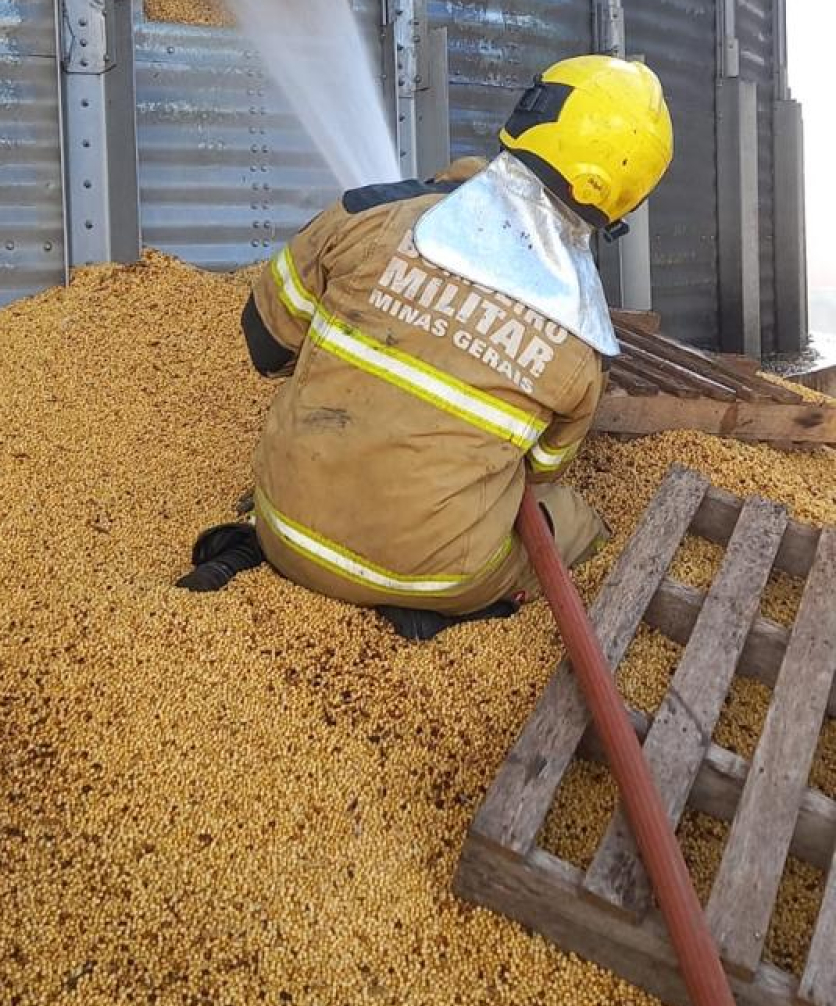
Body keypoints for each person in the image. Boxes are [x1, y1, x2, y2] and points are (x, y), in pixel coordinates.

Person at [178, 55, 673, 641]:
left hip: (285, 531)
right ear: (625, 200)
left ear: (533, 112)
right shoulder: (582, 351)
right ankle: (453, 610)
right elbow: (535, 474)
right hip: (434, 579)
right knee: (574, 520)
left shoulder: (371, 213)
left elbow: (265, 341)